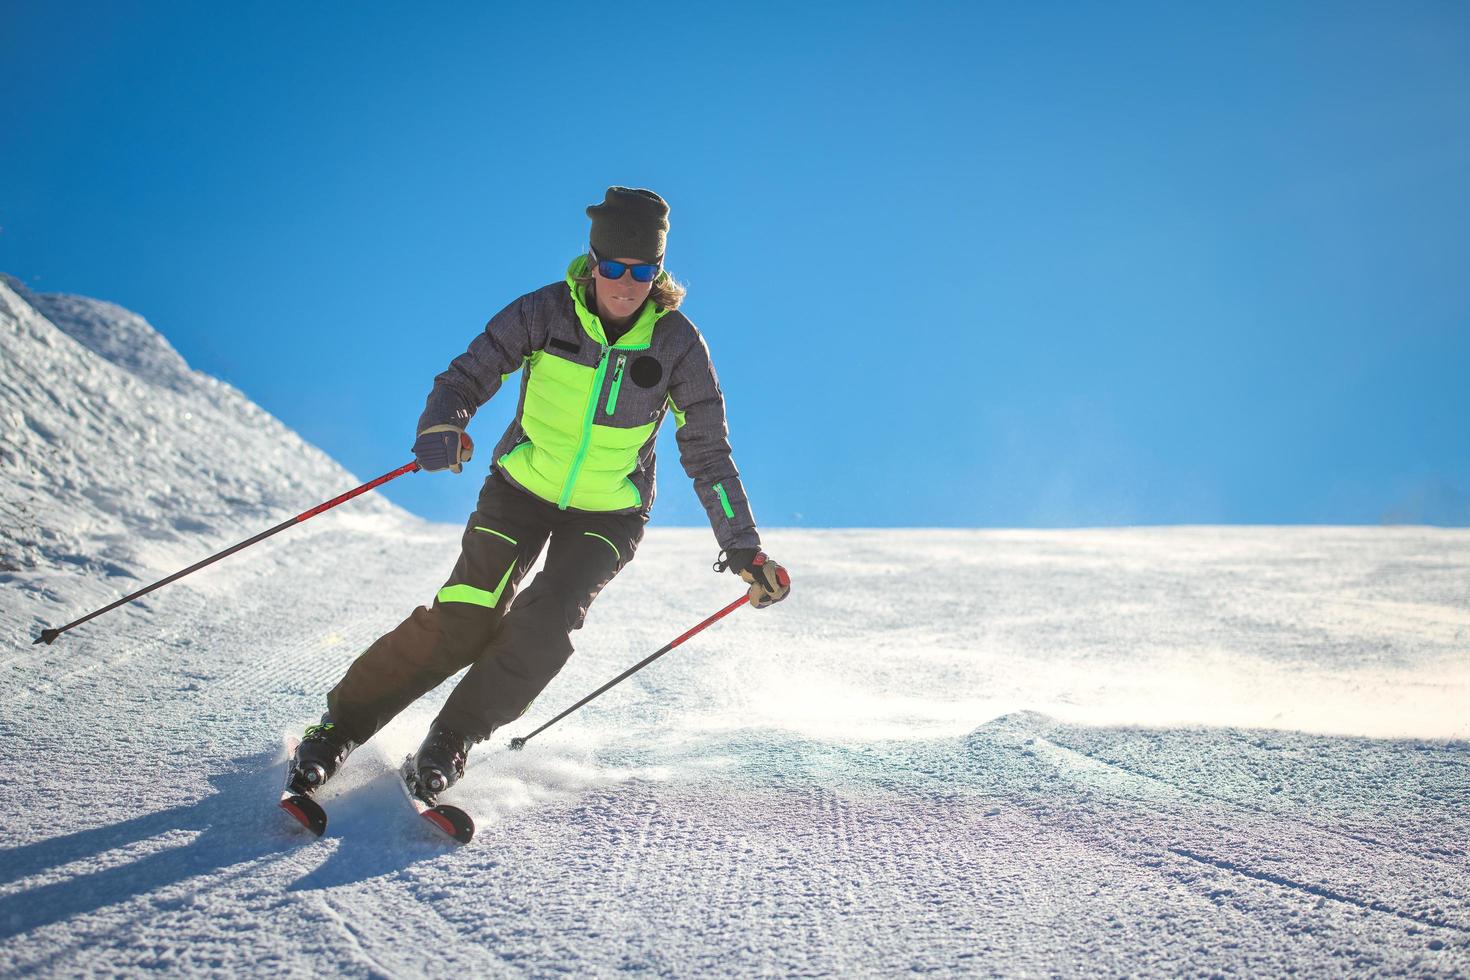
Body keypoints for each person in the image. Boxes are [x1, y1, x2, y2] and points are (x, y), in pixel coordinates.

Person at [286, 186, 790, 802]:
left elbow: (708, 452)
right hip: (521, 488)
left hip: (608, 511)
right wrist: (444, 423)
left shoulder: (677, 343)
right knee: (468, 613)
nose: (625, 284)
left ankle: (450, 741)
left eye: (643, 271)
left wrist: (744, 548)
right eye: (613, 267)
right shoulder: (544, 312)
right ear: (593, 259)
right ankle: (336, 730)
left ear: (659, 273)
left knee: (546, 623)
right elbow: (468, 373)